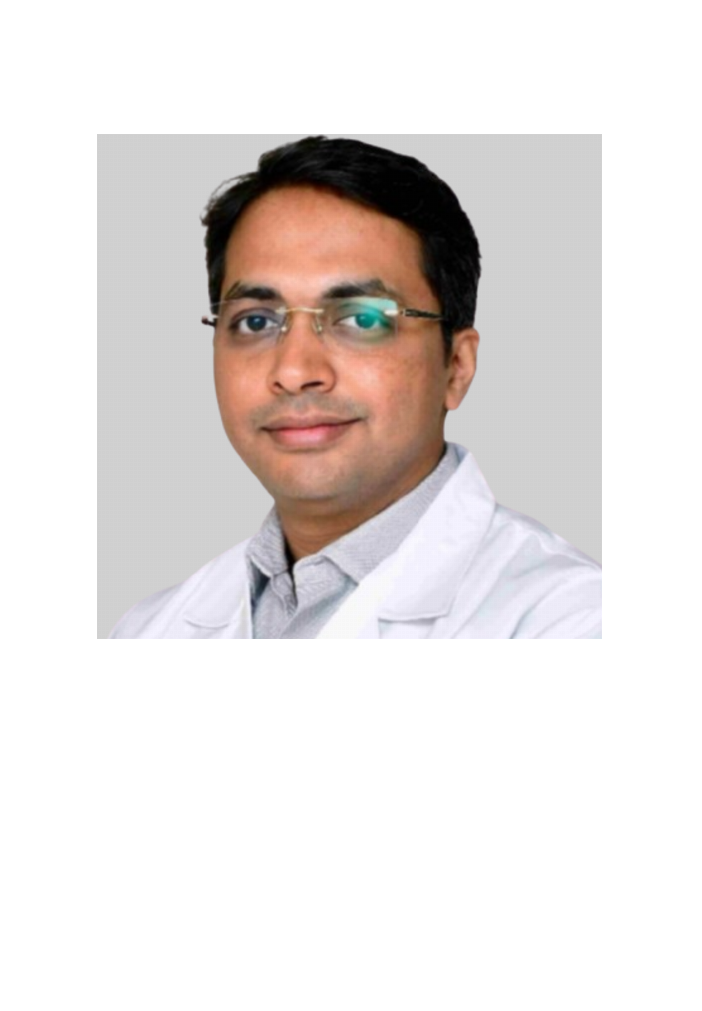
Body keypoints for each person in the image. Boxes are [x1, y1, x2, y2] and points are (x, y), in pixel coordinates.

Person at [113, 136, 601, 641]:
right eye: (256, 321)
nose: (294, 371)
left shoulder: (571, 619)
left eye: (361, 318)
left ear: (456, 367)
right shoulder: (150, 626)